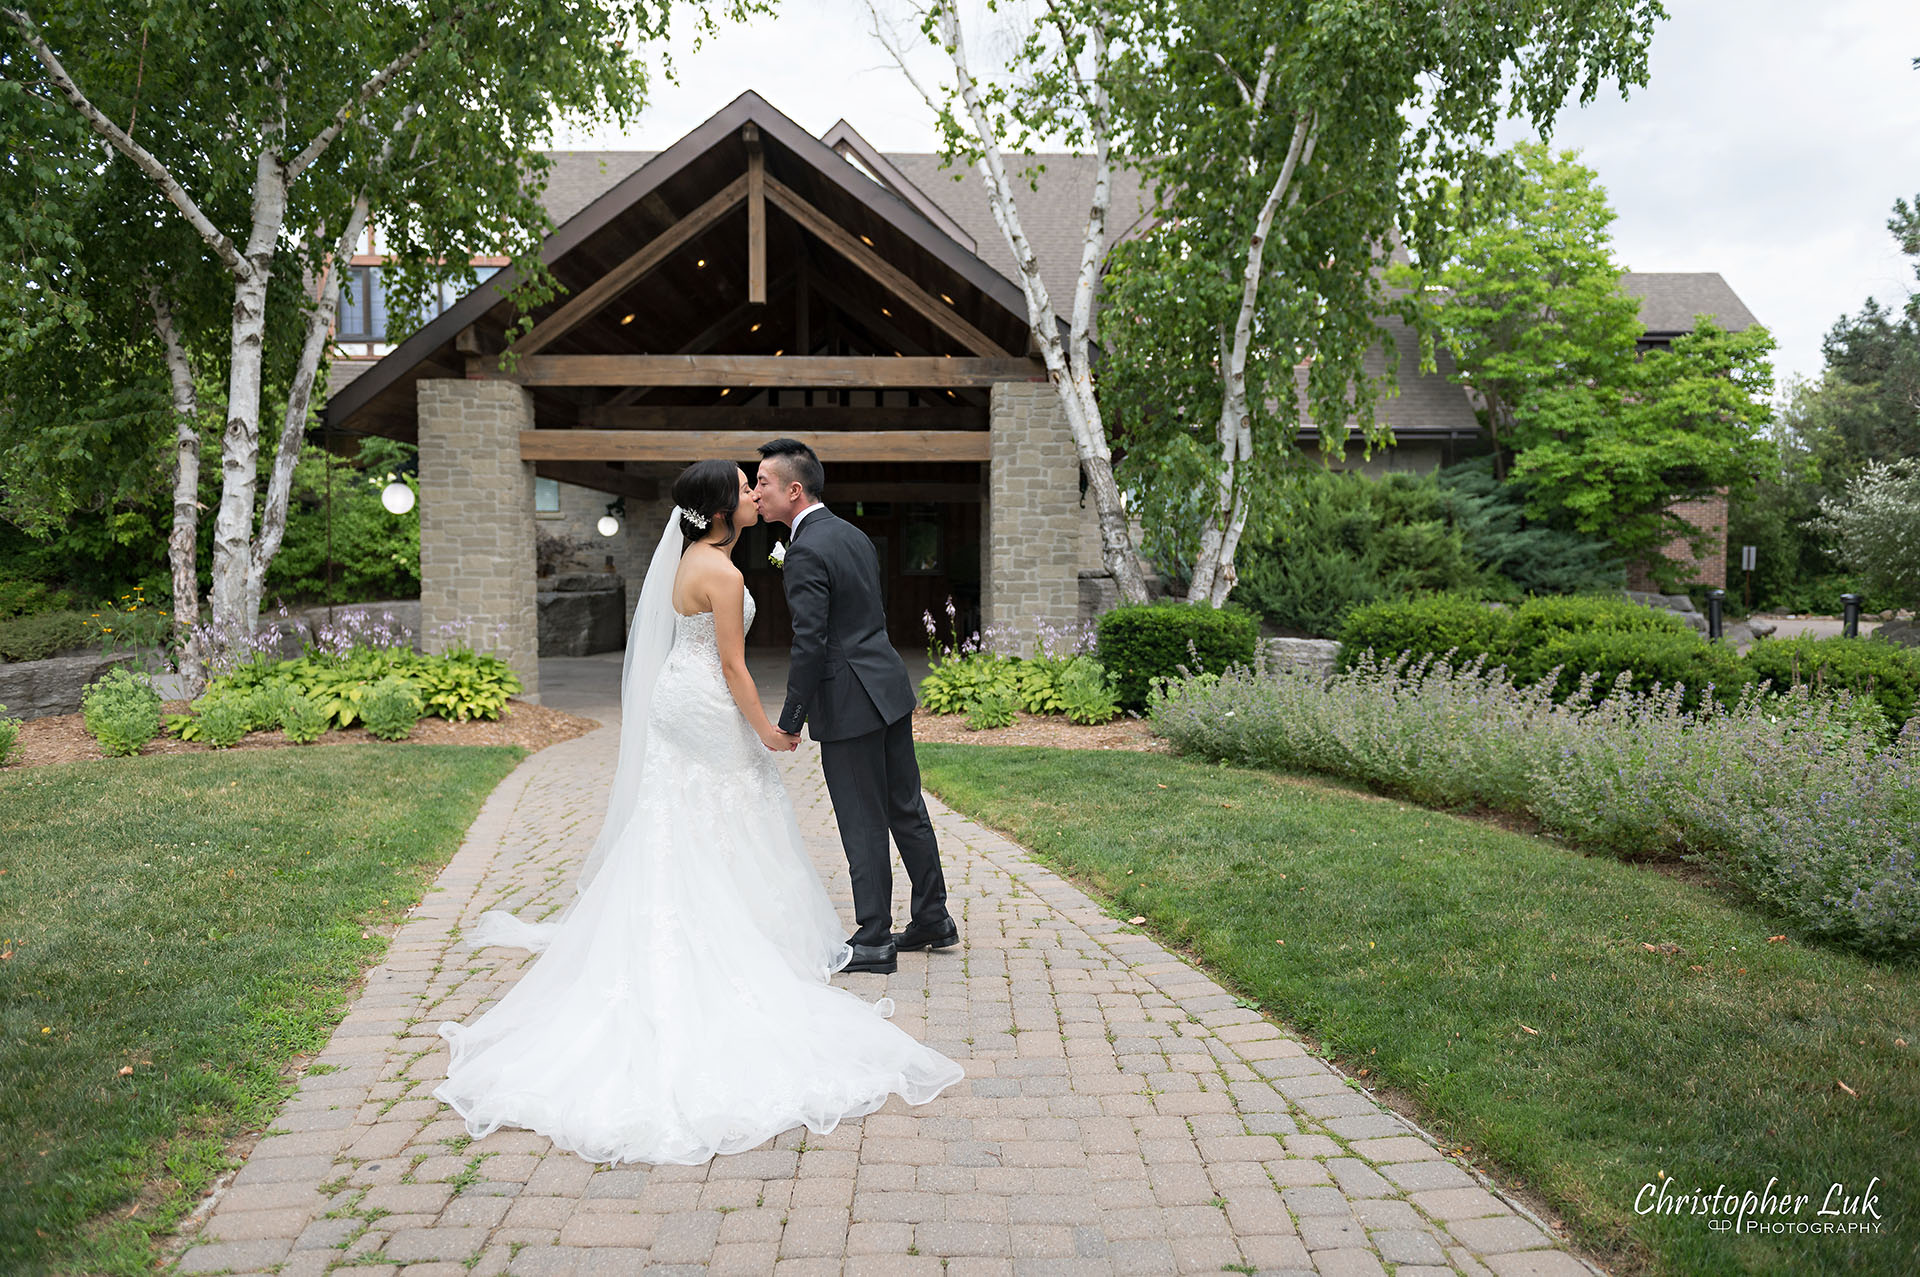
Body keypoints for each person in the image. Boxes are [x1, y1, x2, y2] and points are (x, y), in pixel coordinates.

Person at [433, 460, 963, 1166]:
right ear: (720, 509)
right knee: (745, 803)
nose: (755, 493)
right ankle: (755, 936)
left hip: (680, 704)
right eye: (746, 487)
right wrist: (772, 729)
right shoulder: (727, 573)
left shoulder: (691, 559)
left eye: (760, 483)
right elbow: (737, 667)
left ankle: (736, 915)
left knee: (685, 816)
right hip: (712, 703)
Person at [752, 437, 959, 976]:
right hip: (887, 686)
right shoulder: (853, 535)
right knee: (905, 808)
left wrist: (791, 717)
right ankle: (934, 918)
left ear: (794, 491)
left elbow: (810, 642)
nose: (756, 493)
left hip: (848, 700)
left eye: (763, 483)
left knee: (862, 819)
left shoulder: (804, 550)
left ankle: (873, 938)